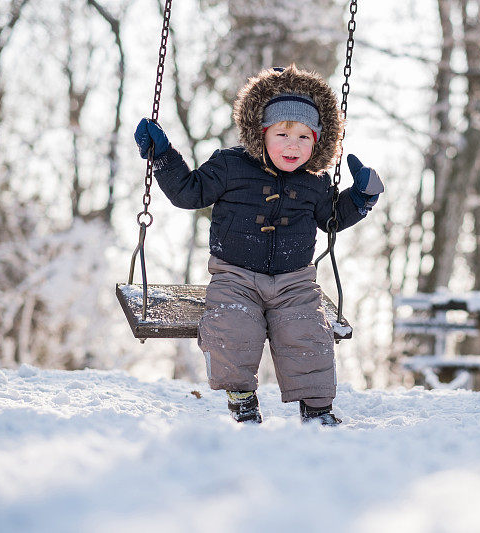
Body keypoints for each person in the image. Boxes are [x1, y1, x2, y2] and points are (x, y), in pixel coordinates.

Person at [133, 65, 383, 426]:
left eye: (303, 137)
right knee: (231, 327)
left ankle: (316, 409)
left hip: (296, 280)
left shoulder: (315, 180)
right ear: (261, 133)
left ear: (317, 141)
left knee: (308, 335)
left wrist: (361, 197)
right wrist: (164, 156)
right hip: (235, 275)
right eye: (282, 133)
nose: (293, 145)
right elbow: (189, 193)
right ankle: (242, 396)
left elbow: (331, 218)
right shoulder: (230, 165)